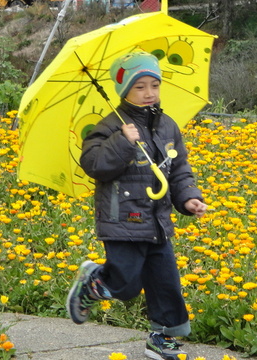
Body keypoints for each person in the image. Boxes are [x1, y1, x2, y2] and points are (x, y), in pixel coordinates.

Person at [67, 51, 208, 360]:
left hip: (157, 221)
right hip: (122, 220)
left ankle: (161, 336)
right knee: (127, 282)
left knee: (165, 281)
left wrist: (189, 198)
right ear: (124, 90)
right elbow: (95, 165)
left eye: (153, 85)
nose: (148, 93)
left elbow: (179, 168)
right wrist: (122, 141)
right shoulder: (107, 127)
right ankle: (95, 281)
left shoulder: (167, 126)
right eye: (139, 86)